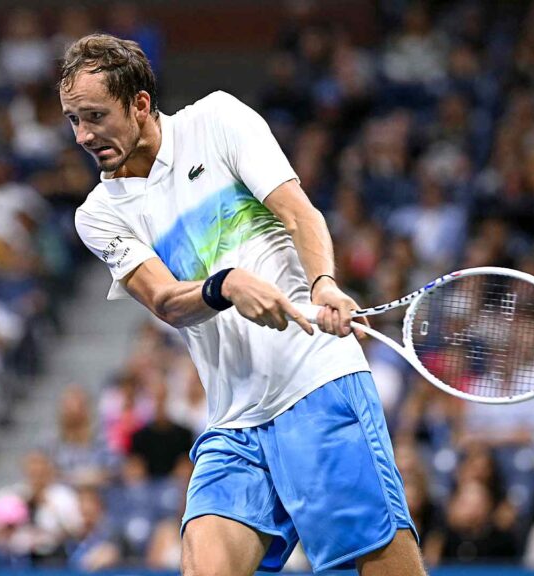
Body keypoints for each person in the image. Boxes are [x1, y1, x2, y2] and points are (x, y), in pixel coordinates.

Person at [61, 34, 423, 574]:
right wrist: (224, 284)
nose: (84, 135)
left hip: (315, 383)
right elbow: (165, 300)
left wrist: (323, 283)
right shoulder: (98, 214)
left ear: (139, 103)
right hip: (234, 420)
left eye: (95, 116)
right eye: (73, 120)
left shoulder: (218, 120)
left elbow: (299, 214)